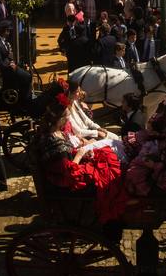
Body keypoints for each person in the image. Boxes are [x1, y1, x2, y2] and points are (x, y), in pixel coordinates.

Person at [29, 90, 128, 224]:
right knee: (107, 176)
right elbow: (69, 171)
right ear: (61, 120)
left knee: (106, 157)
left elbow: (68, 153)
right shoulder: (53, 141)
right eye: (68, 118)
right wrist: (80, 154)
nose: (69, 121)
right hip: (64, 179)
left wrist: (81, 152)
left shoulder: (56, 133)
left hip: (67, 169)